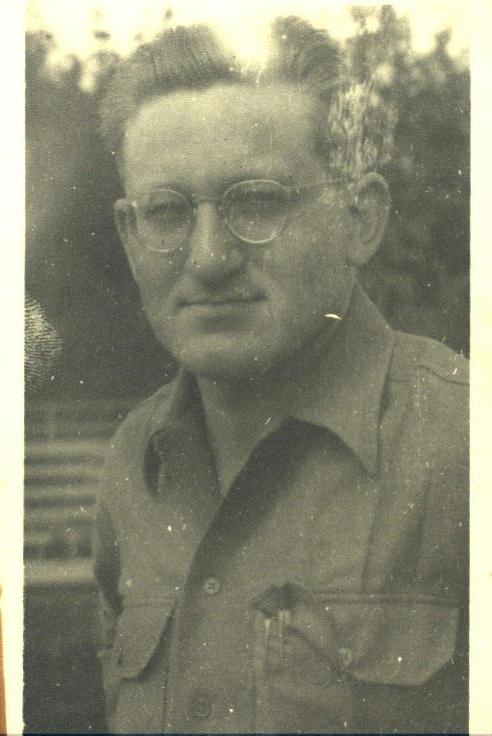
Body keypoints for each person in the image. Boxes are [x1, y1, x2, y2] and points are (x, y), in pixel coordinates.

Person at [93, 16, 468, 734]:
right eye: (167, 212)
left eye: (257, 201)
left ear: (359, 218)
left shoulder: (465, 445)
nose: (208, 258)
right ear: (129, 235)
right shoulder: (134, 465)